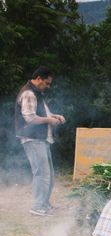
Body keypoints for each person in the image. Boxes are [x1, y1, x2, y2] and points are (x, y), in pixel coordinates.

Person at [15, 66, 66, 216]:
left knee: (48, 173)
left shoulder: (37, 93)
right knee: (41, 173)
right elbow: (29, 117)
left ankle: (44, 204)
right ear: (38, 79)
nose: (48, 86)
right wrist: (49, 120)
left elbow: (45, 114)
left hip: (41, 139)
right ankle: (37, 207)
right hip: (33, 139)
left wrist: (55, 116)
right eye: (47, 83)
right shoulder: (29, 93)